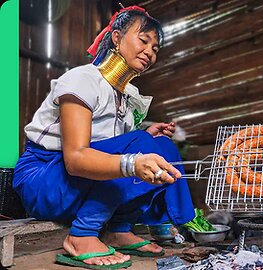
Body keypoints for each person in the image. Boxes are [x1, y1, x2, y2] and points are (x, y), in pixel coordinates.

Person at [13, 6, 195, 269]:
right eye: (144, 41)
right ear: (117, 38)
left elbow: (111, 146)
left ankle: (118, 229)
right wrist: (135, 157)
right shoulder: (82, 79)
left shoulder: (126, 96)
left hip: (76, 187)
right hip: (44, 181)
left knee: (162, 146)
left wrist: (143, 137)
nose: (149, 52)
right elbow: (75, 159)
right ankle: (83, 235)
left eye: (155, 48)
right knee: (143, 148)